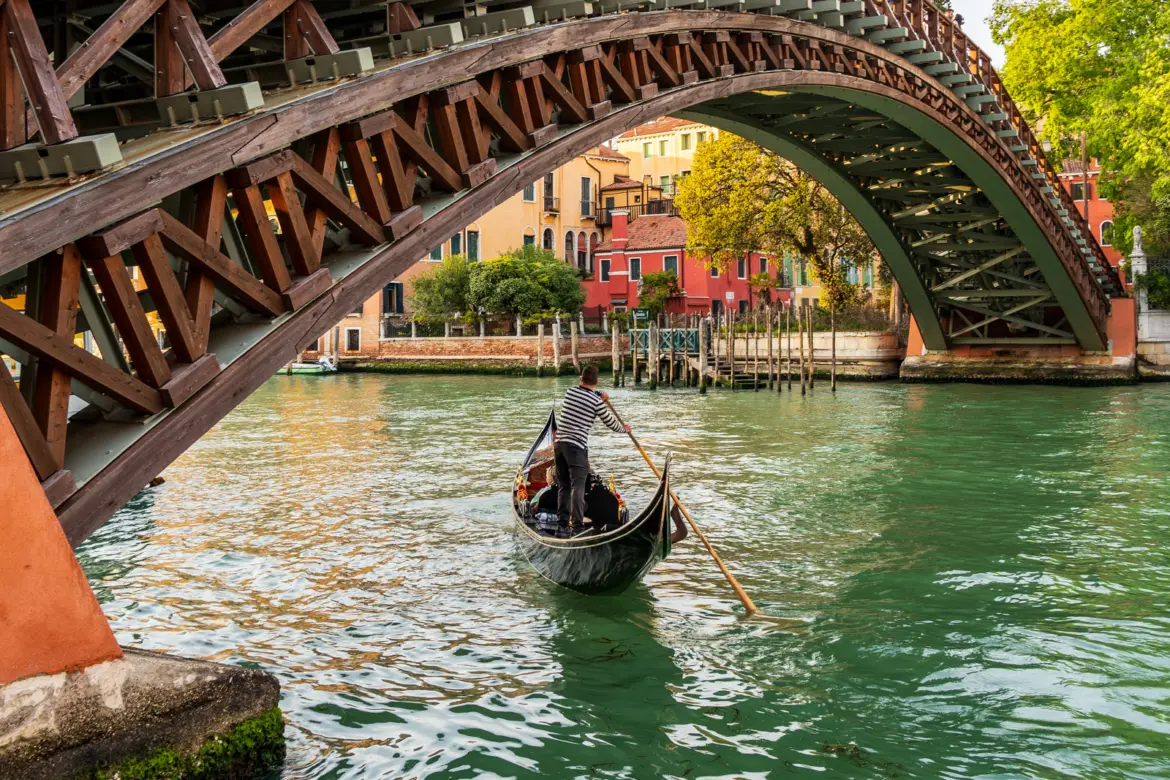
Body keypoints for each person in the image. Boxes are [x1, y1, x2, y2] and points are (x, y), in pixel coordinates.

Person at [555, 365, 630, 531]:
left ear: (581, 378)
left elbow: (585, 394)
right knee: (578, 487)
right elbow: (610, 423)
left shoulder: (570, 392)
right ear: (596, 382)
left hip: (559, 445)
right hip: (576, 447)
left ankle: (562, 523)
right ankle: (576, 526)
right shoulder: (596, 402)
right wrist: (625, 429)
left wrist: (598, 395)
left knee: (564, 486)